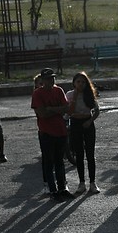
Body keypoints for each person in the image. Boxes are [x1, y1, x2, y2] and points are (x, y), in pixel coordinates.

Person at [31, 67, 72, 199]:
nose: (51, 81)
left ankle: (62, 188)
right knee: (49, 162)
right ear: (43, 80)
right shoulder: (38, 93)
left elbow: (66, 109)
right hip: (46, 132)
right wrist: (57, 110)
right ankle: (53, 189)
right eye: (48, 79)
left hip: (60, 131)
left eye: (53, 78)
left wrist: (50, 109)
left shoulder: (58, 90)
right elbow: (42, 113)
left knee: (60, 161)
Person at [66, 71, 101, 194]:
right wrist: (74, 98)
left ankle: (93, 182)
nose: (80, 84)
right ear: (74, 83)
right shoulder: (69, 94)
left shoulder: (89, 94)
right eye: (78, 82)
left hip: (87, 123)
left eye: (83, 82)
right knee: (79, 154)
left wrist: (90, 121)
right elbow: (68, 112)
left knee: (90, 154)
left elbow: (97, 111)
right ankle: (81, 183)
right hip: (75, 123)